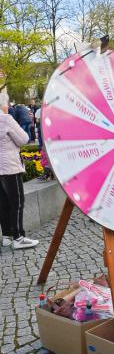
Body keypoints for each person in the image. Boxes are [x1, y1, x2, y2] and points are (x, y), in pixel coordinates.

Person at [0, 93, 39, 249]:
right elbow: (23, 138)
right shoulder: (6, 119)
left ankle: (6, 236)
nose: (8, 106)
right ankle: (18, 237)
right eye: (7, 103)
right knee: (17, 202)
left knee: (3, 203)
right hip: (10, 167)